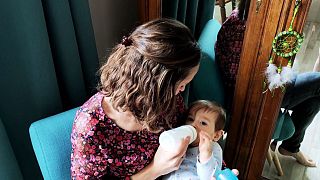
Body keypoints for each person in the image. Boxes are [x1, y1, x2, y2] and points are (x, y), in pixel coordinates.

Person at [70, 18, 201, 179]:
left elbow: (189, 134)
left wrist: (213, 164)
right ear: (155, 85)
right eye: (181, 84)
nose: (182, 91)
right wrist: (154, 170)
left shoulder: (168, 101)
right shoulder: (92, 128)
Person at [215, 1, 320, 167]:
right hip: (254, 93)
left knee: (315, 97)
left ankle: (291, 147)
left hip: (261, 83)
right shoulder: (243, 26)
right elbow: (245, 81)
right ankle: (292, 146)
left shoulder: (249, 14)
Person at [163, 100, 226, 180]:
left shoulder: (213, 148)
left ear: (216, 135)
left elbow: (211, 176)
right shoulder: (180, 139)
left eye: (203, 123)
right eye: (190, 119)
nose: (193, 125)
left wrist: (205, 154)